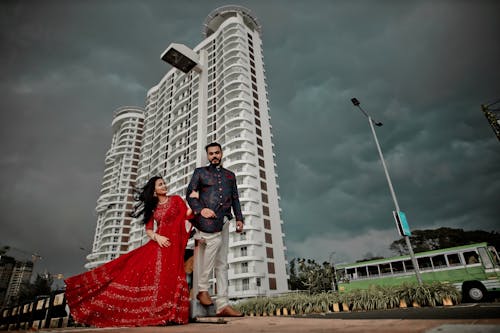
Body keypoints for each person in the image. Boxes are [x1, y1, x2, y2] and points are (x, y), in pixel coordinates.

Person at [64, 176, 193, 327]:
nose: (164, 186)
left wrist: (197, 203)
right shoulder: (153, 208)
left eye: (164, 183)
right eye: (160, 184)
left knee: (171, 277)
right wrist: (158, 237)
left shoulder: (176, 200)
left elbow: (187, 215)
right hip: (159, 244)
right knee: (133, 272)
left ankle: (171, 314)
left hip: (174, 245)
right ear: (154, 191)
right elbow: (149, 230)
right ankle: (161, 314)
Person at [186, 142, 244, 317]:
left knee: (222, 263)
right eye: (211, 154)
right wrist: (200, 209)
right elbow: (190, 193)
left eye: (217, 153)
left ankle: (223, 305)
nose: (214, 156)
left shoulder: (230, 176)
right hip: (207, 223)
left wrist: (239, 218)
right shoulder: (200, 172)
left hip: (225, 221)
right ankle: (202, 289)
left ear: (221, 153)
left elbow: (235, 198)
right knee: (208, 253)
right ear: (207, 155)